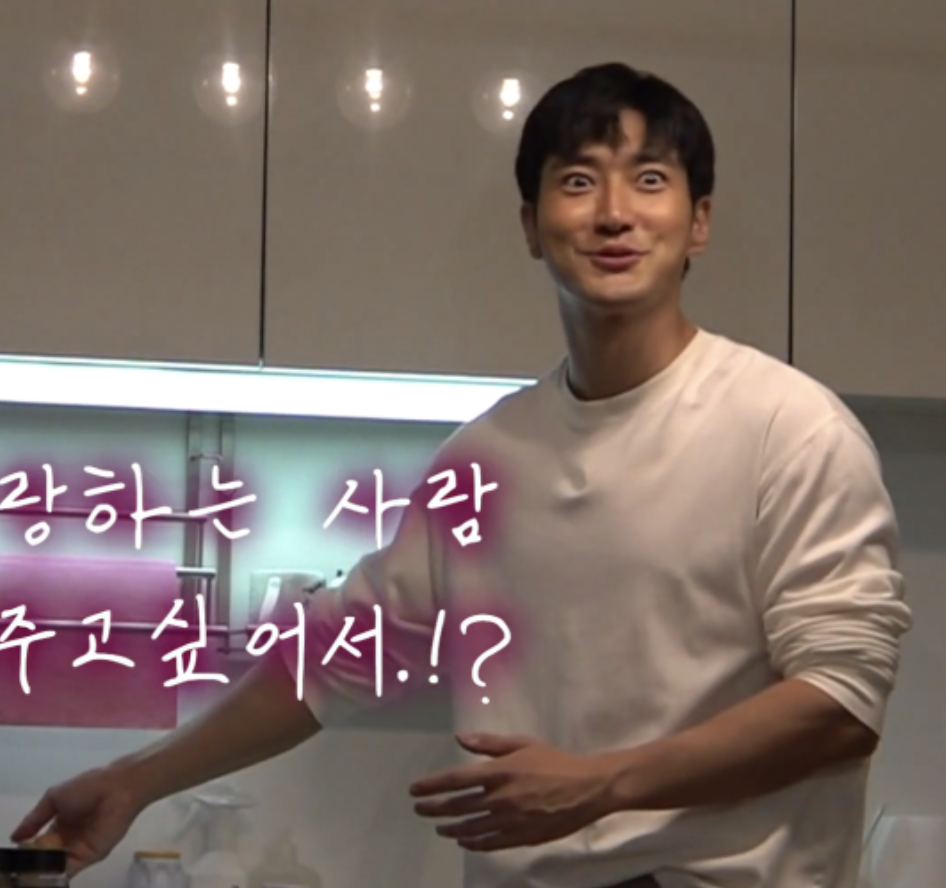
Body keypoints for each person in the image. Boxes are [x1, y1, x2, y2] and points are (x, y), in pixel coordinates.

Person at [12, 62, 912, 888]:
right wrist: (134, 780)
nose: (613, 213)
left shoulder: (787, 429)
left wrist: (601, 785)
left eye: (649, 180)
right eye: (577, 181)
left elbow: (841, 701)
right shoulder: (487, 459)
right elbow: (331, 659)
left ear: (698, 223)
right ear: (530, 226)